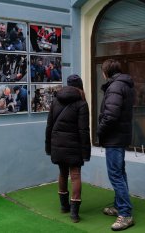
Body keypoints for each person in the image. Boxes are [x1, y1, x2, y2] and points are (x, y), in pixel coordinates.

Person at [45, 74, 91, 223]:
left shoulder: (55, 101)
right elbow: (84, 130)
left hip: (57, 145)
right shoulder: (82, 104)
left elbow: (49, 127)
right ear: (80, 86)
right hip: (74, 146)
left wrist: (48, 147)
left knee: (62, 173)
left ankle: (64, 206)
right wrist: (86, 153)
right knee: (75, 175)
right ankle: (74, 214)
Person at [97, 59, 135, 231]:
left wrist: (100, 131)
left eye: (103, 71)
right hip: (120, 136)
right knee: (120, 173)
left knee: (116, 175)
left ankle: (125, 214)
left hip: (114, 137)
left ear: (107, 72)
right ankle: (120, 206)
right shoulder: (124, 85)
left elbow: (110, 116)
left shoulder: (115, 87)